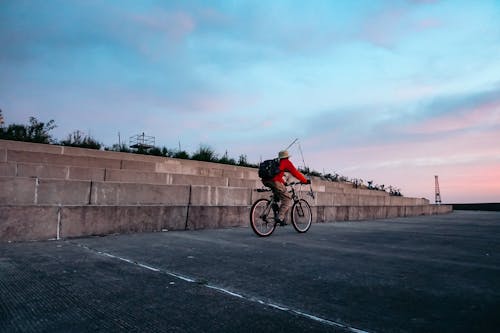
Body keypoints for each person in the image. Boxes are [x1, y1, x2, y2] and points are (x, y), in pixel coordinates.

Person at [261, 150, 310, 225]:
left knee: (277, 196)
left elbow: (277, 175)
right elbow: (295, 173)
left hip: (265, 180)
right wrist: (305, 180)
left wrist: (284, 183)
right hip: (274, 182)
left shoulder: (278, 163)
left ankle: (275, 209)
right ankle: (280, 217)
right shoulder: (287, 162)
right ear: (287, 157)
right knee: (287, 199)